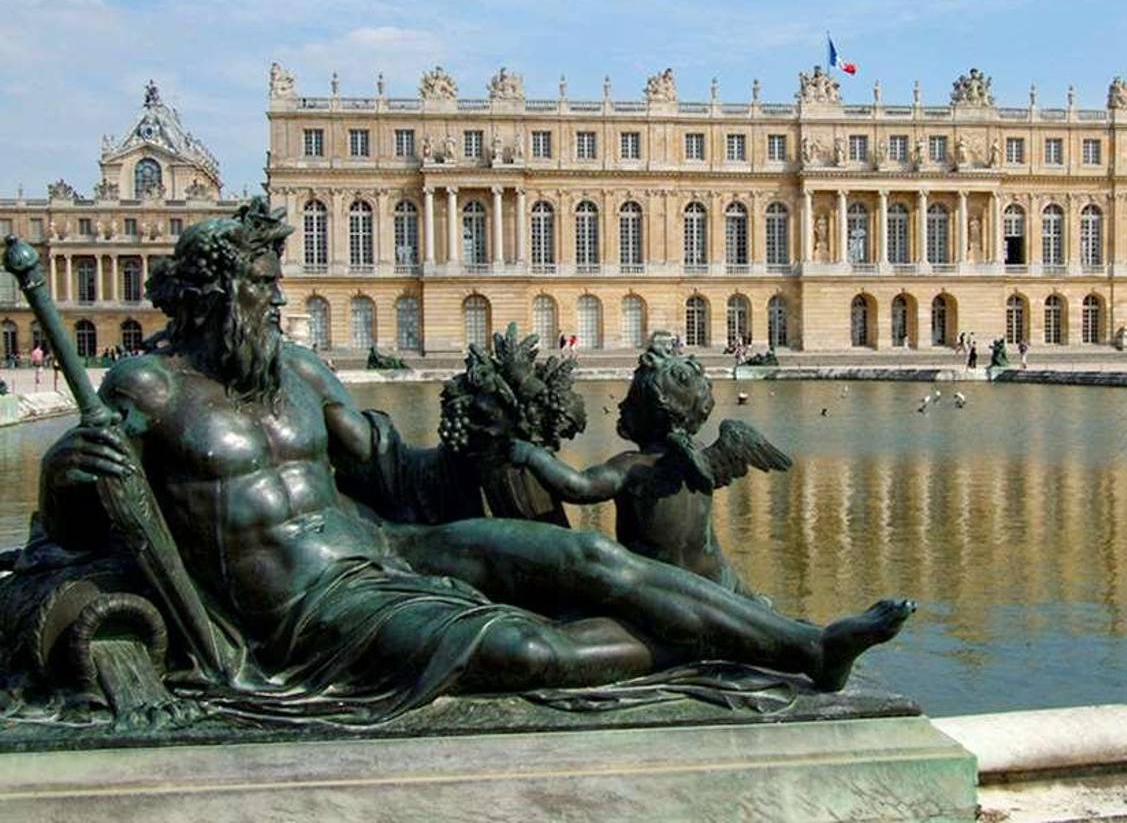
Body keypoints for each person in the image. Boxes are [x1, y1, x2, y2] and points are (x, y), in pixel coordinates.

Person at [41, 200, 910, 722]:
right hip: (306, 607)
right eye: (264, 284)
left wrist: (488, 442)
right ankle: (701, 644)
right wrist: (66, 468)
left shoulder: (296, 370)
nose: (278, 296)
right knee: (530, 650)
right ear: (219, 291)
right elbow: (83, 519)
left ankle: (807, 646)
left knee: (588, 556)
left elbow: (395, 472)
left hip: (379, 551)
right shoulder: (149, 386)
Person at [510, 338, 788, 604]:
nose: (620, 406)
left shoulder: (633, 467)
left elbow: (578, 487)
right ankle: (758, 607)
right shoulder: (699, 460)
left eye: (628, 402)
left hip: (666, 595)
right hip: (718, 582)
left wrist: (533, 455)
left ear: (646, 414)